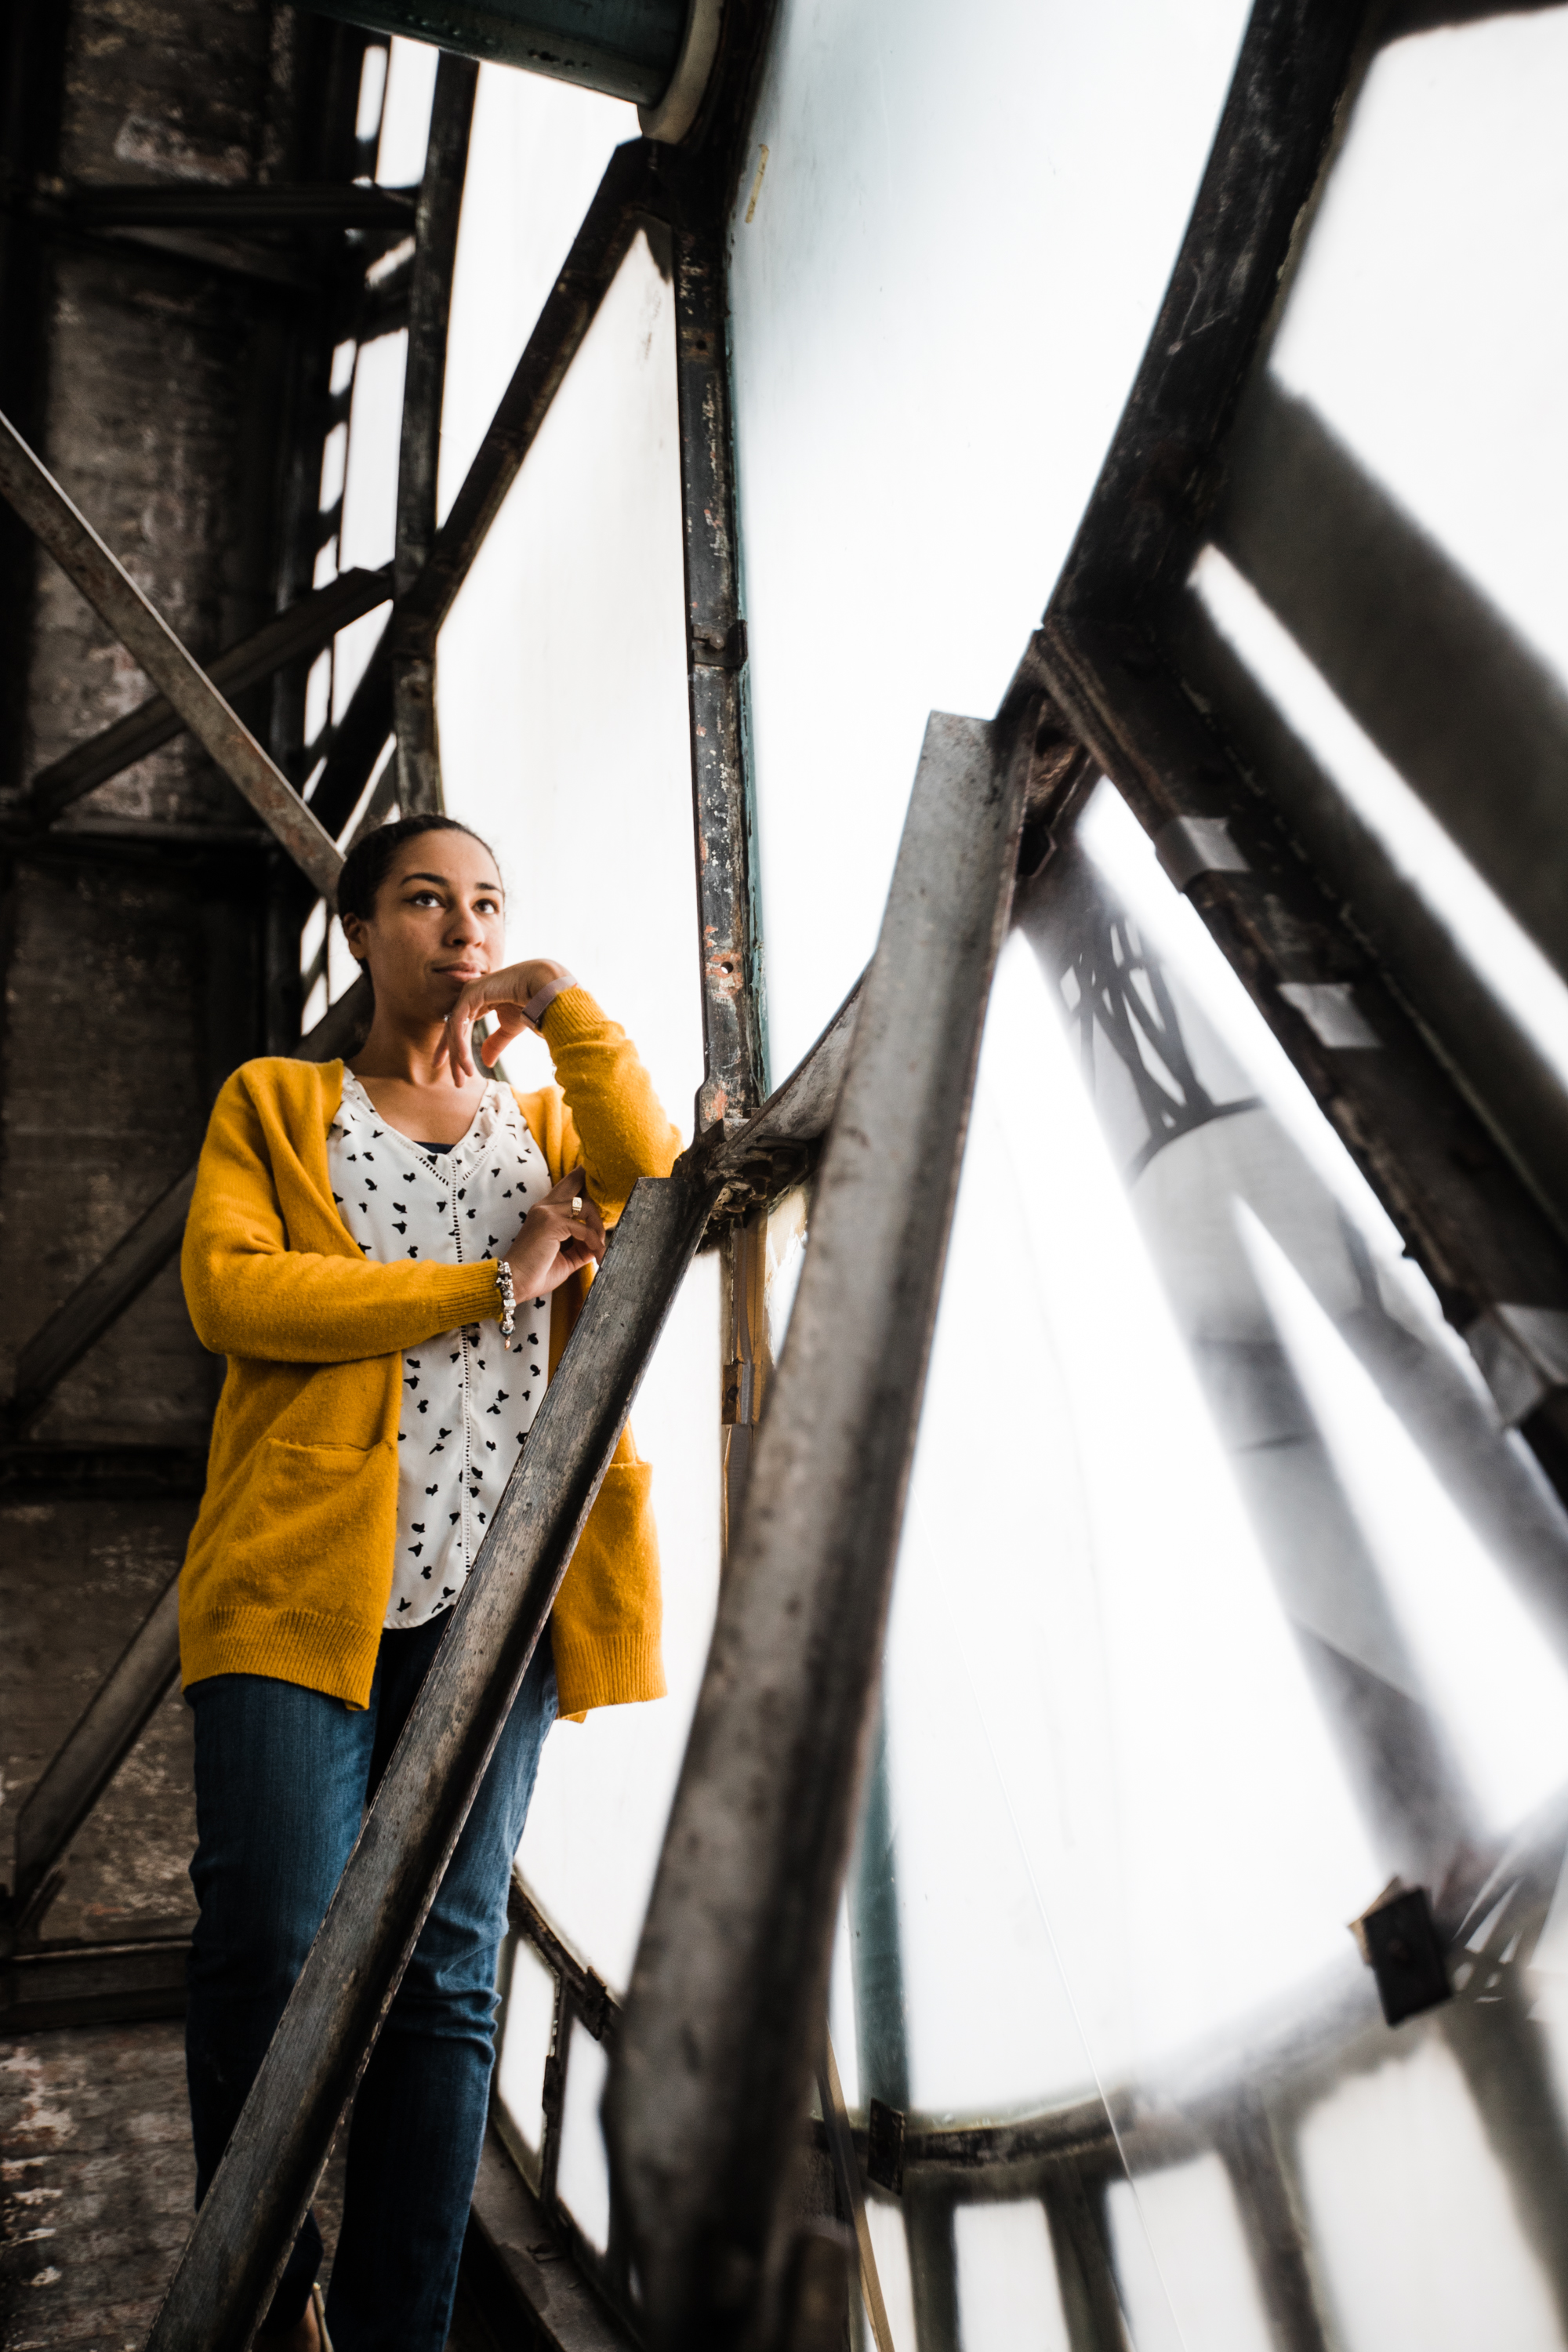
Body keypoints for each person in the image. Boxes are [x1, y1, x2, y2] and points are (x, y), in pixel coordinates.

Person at [177, 813, 681, 2351]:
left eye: (485, 903)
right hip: (292, 1584)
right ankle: (267, 2298)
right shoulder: (277, 1104)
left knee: (447, 1972)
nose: (461, 928)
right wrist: (489, 1283)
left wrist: (567, 1005)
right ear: (363, 928)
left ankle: (401, 2332)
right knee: (268, 1935)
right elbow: (234, 1291)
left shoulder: (547, 1133)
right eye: (424, 899)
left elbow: (659, 1180)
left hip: (506, 1601)